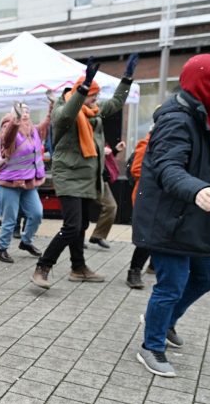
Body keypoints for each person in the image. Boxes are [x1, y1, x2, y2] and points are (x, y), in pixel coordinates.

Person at [133, 54, 210, 377]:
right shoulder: (176, 119)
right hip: (169, 217)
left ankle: (165, 320)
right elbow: (169, 168)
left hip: (196, 216)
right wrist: (197, 188)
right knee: (171, 284)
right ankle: (151, 346)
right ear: (206, 83)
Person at [31, 55, 137, 288]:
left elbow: (117, 103)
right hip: (69, 175)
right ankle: (43, 266)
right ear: (82, 92)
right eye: (92, 95)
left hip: (89, 178)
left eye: (96, 96)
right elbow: (68, 112)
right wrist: (84, 88)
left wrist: (126, 80)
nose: (95, 100)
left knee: (81, 227)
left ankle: (78, 268)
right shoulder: (63, 110)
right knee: (71, 226)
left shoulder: (93, 111)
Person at [0, 102, 49, 263]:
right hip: (10, 182)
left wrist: (52, 106)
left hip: (29, 181)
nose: (25, 113)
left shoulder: (33, 131)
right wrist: (15, 119)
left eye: (27, 111)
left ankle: (26, 242)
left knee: (37, 214)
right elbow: (7, 138)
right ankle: (2, 249)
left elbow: (46, 123)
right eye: (21, 111)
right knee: (10, 218)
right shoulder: (9, 128)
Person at [87, 140, 126, 249]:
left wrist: (114, 151)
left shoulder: (98, 132)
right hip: (87, 178)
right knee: (82, 208)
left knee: (111, 206)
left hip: (101, 179)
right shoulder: (83, 129)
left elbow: (103, 158)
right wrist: (100, 151)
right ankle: (76, 239)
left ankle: (98, 235)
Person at [126, 132, 151, 289]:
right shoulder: (147, 142)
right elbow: (136, 170)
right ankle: (134, 271)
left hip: (162, 197)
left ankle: (154, 266)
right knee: (147, 236)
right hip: (147, 197)